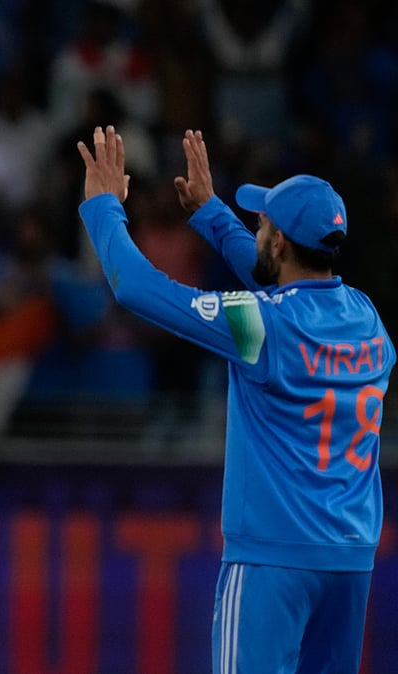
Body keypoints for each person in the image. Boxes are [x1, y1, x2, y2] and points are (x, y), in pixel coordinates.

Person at [76, 126, 393, 673]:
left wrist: (103, 207)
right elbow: (285, 281)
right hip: (350, 561)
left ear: (279, 242)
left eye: (263, 223)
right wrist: (210, 212)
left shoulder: (261, 325)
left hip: (273, 560)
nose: (259, 228)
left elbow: (137, 288)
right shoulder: (366, 319)